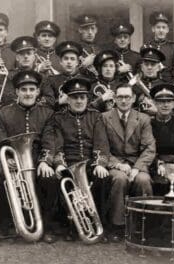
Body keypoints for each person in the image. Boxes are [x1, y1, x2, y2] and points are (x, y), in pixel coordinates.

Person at [0, 70, 58, 243]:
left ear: (38, 92)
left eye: (32, 89)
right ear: (17, 92)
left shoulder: (47, 113)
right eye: (24, 90)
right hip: (12, 160)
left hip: (37, 159)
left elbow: (49, 140)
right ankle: (4, 226)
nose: (28, 93)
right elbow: (1, 140)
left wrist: (45, 162)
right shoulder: (4, 113)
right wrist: (8, 160)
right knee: (3, 180)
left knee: (50, 180)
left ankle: (46, 227)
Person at [52, 77, 110, 242]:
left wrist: (100, 164)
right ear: (68, 99)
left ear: (87, 98)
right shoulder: (58, 118)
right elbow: (58, 146)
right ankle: (70, 227)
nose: (78, 101)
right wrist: (59, 165)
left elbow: (101, 143)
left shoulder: (96, 116)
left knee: (103, 178)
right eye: (74, 97)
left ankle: (100, 224)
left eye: (82, 97)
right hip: (69, 163)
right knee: (65, 181)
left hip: (90, 163)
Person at [102, 84, 156, 242]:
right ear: (114, 99)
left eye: (127, 97)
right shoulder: (105, 117)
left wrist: (137, 168)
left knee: (143, 180)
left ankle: (144, 226)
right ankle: (118, 227)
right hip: (115, 163)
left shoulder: (143, 118)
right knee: (119, 179)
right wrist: (117, 165)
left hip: (137, 163)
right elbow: (102, 147)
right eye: (120, 97)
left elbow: (149, 148)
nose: (123, 100)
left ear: (133, 99)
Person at [40, 41, 87, 110]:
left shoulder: (85, 81)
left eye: (72, 59)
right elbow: (46, 105)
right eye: (66, 58)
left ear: (77, 62)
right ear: (60, 62)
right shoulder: (51, 81)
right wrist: (59, 102)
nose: (69, 62)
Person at [145, 12, 174, 81]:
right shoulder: (146, 47)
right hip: (151, 83)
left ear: (167, 30)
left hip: (168, 83)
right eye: (158, 27)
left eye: (163, 27)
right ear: (153, 29)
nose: (161, 30)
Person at [132, 45, 166, 115]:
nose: (149, 67)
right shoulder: (134, 86)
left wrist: (158, 112)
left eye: (153, 65)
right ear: (141, 67)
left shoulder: (165, 86)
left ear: (159, 67)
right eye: (146, 64)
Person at [75, 14, 101, 78]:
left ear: (96, 30)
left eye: (92, 28)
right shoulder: (75, 49)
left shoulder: (99, 50)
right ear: (80, 30)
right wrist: (83, 65)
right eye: (86, 29)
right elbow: (69, 73)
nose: (90, 32)